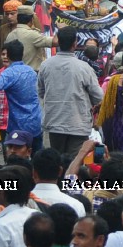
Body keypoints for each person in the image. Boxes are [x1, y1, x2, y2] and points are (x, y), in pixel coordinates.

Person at [38, 28, 103, 156]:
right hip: (78, 124)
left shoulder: (45, 65)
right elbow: (98, 96)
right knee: (74, 163)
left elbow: (40, 91)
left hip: (54, 122)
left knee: (57, 161)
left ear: (58, 42)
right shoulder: (84, 67)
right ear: (75, 44)